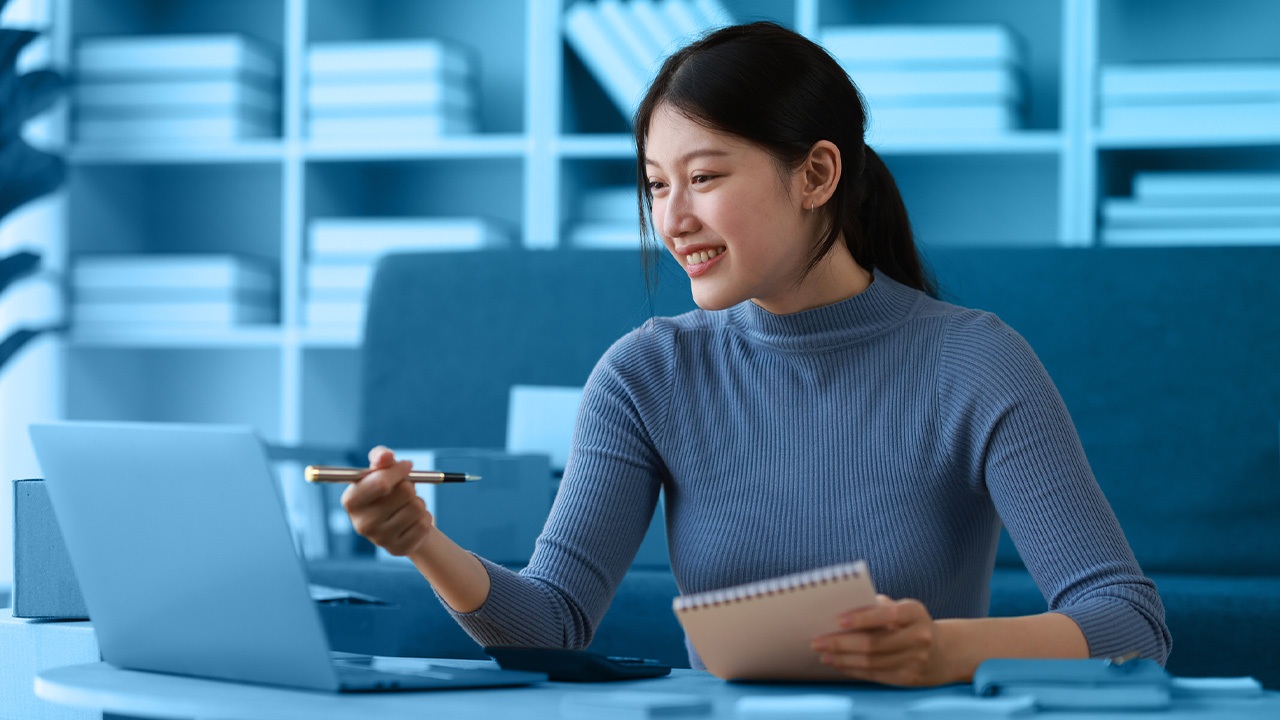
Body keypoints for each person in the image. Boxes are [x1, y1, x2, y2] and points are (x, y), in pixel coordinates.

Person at [341, 21, 1170, 687]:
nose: (671, 221)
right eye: (656, 185)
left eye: (703, 178)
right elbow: (555, 621)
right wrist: (421, 540)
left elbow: (1130, 623)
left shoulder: (976, 361)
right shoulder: (644, 374)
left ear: (815, 175)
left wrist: (947, 651)